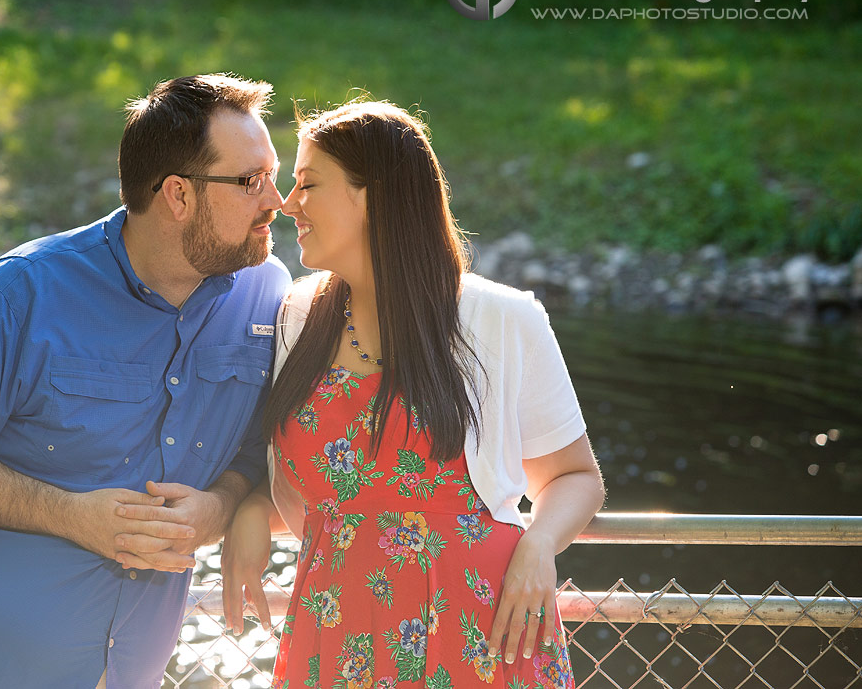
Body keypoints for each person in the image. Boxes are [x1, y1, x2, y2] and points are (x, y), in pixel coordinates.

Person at [0, 74, 291, 689]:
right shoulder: (19, 291)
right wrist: (72, 515)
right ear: (177, 195)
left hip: (113, 670)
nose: (276, 199)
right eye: (250, 181)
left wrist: (223, 507)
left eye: (274, 175)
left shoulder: (270, 296)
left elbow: (261, 448)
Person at [220, 100, 605, 688]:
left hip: (480, 633)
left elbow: (576, 477)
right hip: (335, 629)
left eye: (308, 184)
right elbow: (343, 489)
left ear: (372, 196)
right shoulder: (294, 318)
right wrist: (252, 507)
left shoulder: (504, 319)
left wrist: (539, 547)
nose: (289, 203)